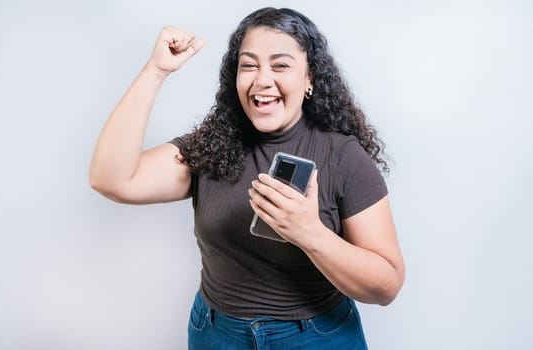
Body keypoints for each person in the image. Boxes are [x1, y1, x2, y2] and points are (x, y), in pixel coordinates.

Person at [89, 7, 405, 350]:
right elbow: (112, 179)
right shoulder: (211, 147)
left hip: (316, 337)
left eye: (280, 65)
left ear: (310, 78)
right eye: (249, 65)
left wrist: (309, 234)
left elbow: (386, 286)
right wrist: (156, 71)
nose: (262, 79)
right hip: (216, 334)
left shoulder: (342, 157)